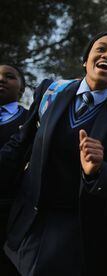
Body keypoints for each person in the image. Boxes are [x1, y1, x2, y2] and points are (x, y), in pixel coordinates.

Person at [0, 32, 107, 276]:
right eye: (101, 49)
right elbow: (19, 145)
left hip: (76, 233)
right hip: (27, 223)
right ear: (86, 60)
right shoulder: (49, 92)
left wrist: (97, 171)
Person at [0, 64, 28, 275]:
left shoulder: (30, 120)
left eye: (9, 76)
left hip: (12, 208)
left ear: (21, 88)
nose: (1, 79)